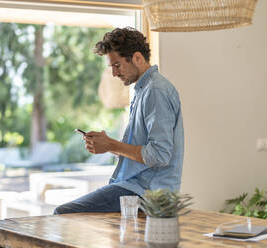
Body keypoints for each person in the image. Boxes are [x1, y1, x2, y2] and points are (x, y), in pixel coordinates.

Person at [54, 27, 184, 214]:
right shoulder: (144, 90)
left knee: (63, 214)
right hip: (136, 189)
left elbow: (159, 155)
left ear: (137, 58)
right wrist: (107, 145)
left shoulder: (156, 91)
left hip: (146, 194)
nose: (114, 74)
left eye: (117, 65)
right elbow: (145, 152)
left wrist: (111, 145)